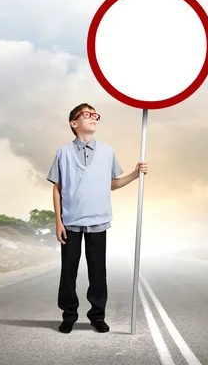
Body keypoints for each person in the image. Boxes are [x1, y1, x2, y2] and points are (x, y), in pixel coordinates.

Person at [46, 103, 147, 334]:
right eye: (88, 115)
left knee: (98, 272)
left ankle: (97, 316)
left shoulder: (107, 151)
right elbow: (57, 188)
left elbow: (112, 184)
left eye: (96, 115)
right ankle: (69, 315)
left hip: (98, 221)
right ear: (74, 123)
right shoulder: (62, 153)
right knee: (68, 272)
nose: (94, 118)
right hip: (70, 222)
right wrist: (58, 222)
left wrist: (134, 174)